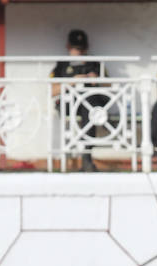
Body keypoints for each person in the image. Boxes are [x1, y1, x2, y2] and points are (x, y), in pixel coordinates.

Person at [50, 29, 104, 172]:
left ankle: (86, 156)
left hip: (91, 105)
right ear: (68, 47)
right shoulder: (62, 65)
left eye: (81, 49)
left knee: (91, 105)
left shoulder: (95, 63)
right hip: (69, 104)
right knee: (88, 105)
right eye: (75, 48)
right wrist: (71, 82)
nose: (78, 52)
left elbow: (110, 85)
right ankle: (78, 158)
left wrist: (97, 79)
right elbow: (51, 90)